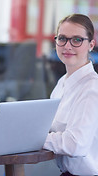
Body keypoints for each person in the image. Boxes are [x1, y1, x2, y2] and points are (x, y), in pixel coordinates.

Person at [43, 13, 98, 176]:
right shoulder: (63, 83)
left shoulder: (92, 89)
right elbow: (51, 127)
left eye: (77, 40)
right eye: (62, 38)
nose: (67, 46)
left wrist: (28, 137)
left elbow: (76, 144)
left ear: (91, 45)